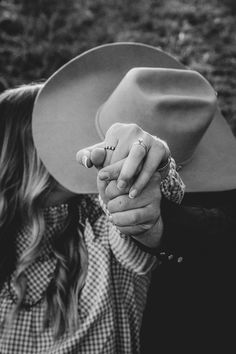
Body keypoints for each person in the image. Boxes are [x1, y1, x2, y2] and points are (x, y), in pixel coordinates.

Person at [0, 82, 184, 354]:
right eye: (63, 129)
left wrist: (150, 166)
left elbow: (140, 227)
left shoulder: (100, 217)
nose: (85, 139)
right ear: (23, 152)